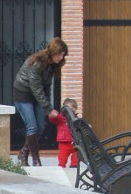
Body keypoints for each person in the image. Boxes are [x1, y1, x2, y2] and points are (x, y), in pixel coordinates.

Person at [12, 37, 69, 166]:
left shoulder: (53, 65)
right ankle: (36, 160)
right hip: (23, 95)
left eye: (63, 55)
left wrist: (47, 106)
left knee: (41, 126)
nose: (61, 58)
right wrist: (48, 109)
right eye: (59, 54)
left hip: (37, 96)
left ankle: (23, 152)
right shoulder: (36, 63)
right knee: (32, 126)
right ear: (52, 52)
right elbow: (36, 88)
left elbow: (46, 87)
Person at [48, 98, 80, 168]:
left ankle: (74, 164)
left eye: (73, 110)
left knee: (76, 153)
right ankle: (62, 165)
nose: (71, 112)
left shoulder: (76, 118)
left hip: (74, 140)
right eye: (69, 110)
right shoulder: (60, 117)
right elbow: (53, 119)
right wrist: (52, 116)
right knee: (63, 155)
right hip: (64, 141)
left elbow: (80, 125)